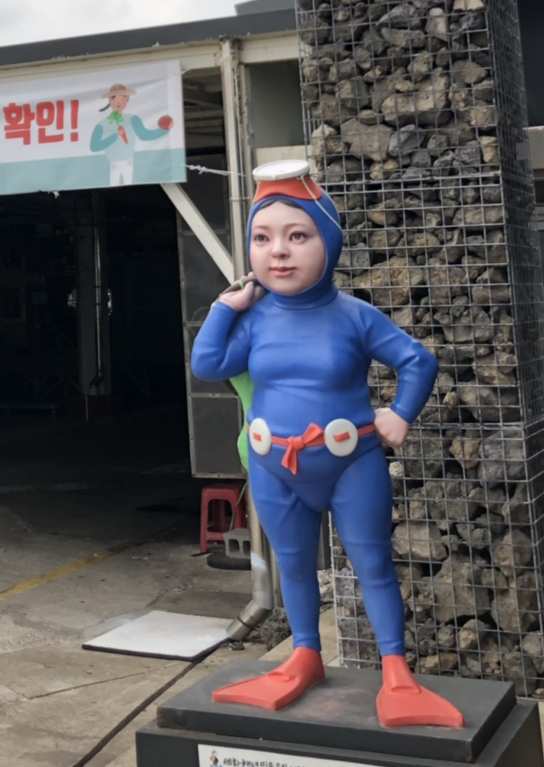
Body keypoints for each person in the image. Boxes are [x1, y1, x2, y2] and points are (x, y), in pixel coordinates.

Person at [190, 160, 462, 729]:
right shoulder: (254, 319)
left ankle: (397, 673)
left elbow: (417, 360)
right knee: (293, 566)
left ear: (328, 243)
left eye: (298, 236)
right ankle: (304, 656)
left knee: (372, 564)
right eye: (262, 239)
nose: (278, 252)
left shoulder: (354, 316)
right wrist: (224, 307)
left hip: (349, 462)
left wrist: (399, 415)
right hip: (273, 464)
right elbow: (208, 364)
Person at [88, 83, 173, 186]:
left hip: (129, 162)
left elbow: (144, 135)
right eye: (114, 99)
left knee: (130, 188)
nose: (118, 102)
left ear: (127, 99)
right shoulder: (102, 124)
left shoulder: (133, 119)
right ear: (109, 100)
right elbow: (94, 146)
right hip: (113, 164)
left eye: (122, 98)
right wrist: (115, 136)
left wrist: (164, 130)